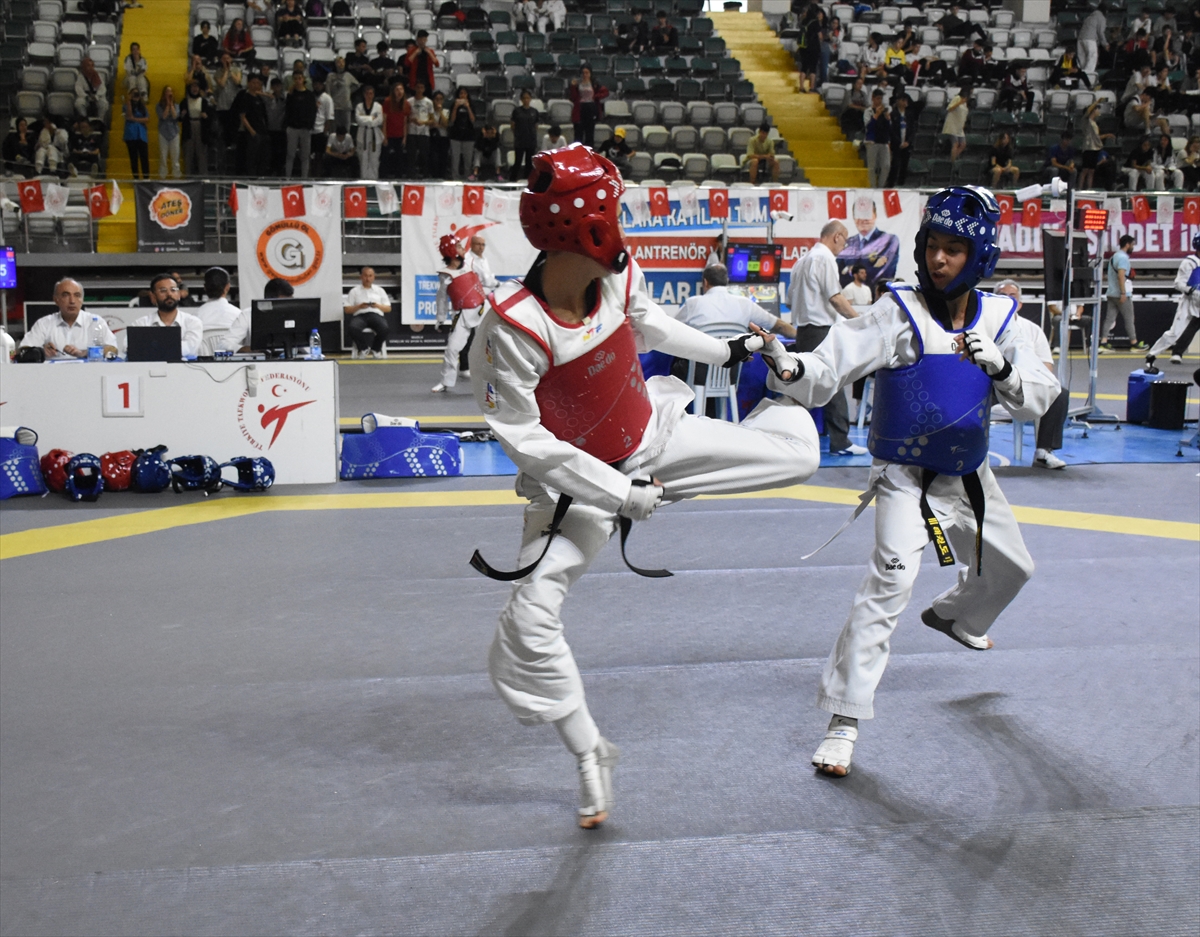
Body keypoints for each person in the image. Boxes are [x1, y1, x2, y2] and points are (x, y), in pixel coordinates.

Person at [467, 143, 820, 829]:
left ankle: (786, 405)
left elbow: (652, 323)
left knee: (796, 457)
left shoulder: (617, 275)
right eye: (614, 213)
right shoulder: (511, 326)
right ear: (587, 227)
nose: (623, 230)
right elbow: (528, 441)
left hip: (656, 438)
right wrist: (619, 495)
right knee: (529, 620)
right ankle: (590, 751)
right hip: (578, 488)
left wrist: (727, 351)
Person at [759, 186, 1060, 777]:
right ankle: (844, 720)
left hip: (969, 474)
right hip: (905, 476)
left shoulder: (1005, 320)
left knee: (1015, 569)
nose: (940, 259)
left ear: (978, 257)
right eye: (933, 247)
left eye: (954, 249)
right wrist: (794, 366)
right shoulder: (896, 311)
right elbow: (833, 363)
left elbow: (1038, 397)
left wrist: (1002, 369)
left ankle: (955, 616)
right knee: (890, 582)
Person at [787, 220, 868, 457]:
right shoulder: (824, 259)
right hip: (821, 330)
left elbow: (791, 300)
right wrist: (859, 321)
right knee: (834, 381)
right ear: (837, 236)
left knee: (804, 384)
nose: (844, 247)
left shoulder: (801, 261)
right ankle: (840, 441)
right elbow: (835, 298)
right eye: (845, 240)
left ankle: (791, 434)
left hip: (805, 331)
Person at [994, 280, 1070, 470]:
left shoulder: (1032, 330)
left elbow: (1046, 366)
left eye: (1013, 297)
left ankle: (1044, 452)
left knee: (1059, 393)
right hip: (991, 385)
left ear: (1020, 304)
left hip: (1024, 384)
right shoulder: (984, 326)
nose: (1008, 301)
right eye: (1003, 297)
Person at [678, 263, 796, 338]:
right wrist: (802, 339)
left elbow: (667, 329)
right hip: (732, 373)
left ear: (705, 282)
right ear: (727, 281)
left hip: (696, 373)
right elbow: (780, 326)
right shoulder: (745, 304)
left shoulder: (692, 304)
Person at [431, 235, 486, 392]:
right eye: (459, 247)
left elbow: (486, 280)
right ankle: (446, 382)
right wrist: (440, 318)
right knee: (452, 349)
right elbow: (441, 298)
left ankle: (500, 381)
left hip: (483, 309)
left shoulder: (471, 263)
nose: (463, 249)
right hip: (462, 315)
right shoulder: (446, 275)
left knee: (493, 345)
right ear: (451, 251)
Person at [19, 278, 116, 359]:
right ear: (56, 300)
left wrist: (85, 353)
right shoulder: (44, 324)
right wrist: (40, 351)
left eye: (77, 295)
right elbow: (23, 350)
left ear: (82, 300)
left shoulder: (95, 322)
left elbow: (112, 350)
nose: (72, 301)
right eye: (66, 295)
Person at [1146, 232, 1200, 369]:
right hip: (1189, 301)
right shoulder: (1190, 263)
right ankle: (1152, 354)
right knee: (1175, 333)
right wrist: (1192, 290)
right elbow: (1178, 284)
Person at [132, 273, 205, 358]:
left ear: (178, 295)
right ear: (153, 297)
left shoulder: (192, 322)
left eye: (173, 290)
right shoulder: (140, 324)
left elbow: (190, 349)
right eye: (163, 290)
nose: (169, 294)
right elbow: (129, 348)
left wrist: (153, 347)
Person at [838, 195, 900, 291]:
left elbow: (884, 275)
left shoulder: (889, 240)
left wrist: (850, 271)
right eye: (859, 215)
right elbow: (840, 278)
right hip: (851, 300)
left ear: (875, 215)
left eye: (867, 214)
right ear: (854, 217)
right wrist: (874, 267)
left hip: (878, 298)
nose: (863, 219)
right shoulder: (846, 243)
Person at [343, 266, 392, 357]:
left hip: (376, 314)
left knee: (385, 329)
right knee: (352, 328)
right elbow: (347, 310)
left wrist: (377, 305)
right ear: (361, 277)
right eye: (365, 276)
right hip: (360, 315)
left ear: (374, 277)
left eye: (370, 276)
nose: (368, 278)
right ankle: (363, 348)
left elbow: (388, 308)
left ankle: (376, 349)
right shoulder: (354, 291)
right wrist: (359, 306)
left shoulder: (380, 290)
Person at [1102, 234, 1138, 351]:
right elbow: (1121, 276)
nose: (1133, 247)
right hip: (1122, 294)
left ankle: (1103, 342)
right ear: (1127, 244)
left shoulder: (1114, 257)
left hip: (1111, 293)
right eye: (1132, 245)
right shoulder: (1123, 258)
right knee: (1129, 318)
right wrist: (1123, 293)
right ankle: (1134, 343)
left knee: (1109, 318)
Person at [283, 72, 317, 178]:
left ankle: (304, 178)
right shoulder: (291, 95)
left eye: (300, 78)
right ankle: (288, 178)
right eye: (296, 79)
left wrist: (310, 125)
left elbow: (313, 111)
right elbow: (287, 111)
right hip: (292, 128)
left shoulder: (310, 95)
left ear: (303, 80)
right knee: (290, 154)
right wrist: (288, 126)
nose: (298, 80)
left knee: (305, 156)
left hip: (305, 128)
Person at [235, 75, 270, 175]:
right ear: (249, 83)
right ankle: (251, 176)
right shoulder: (246, 97)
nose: (256, 85)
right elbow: (243, 116)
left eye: (258, 83)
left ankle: (260, 175)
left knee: (262, 156)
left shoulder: (259, 98)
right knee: (252, 157)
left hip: (262, 130)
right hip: (252, 132)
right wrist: (252, 131)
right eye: (254, 83)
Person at [1077, 101, 1115, 190]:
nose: (1098, 111)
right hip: (1088, 148)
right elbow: (1088, 112)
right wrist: (1096, 102)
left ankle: (1089, 189)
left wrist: (1107, 135)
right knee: (1085, 170)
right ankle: (1079, 189)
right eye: (1097, 109)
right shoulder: (1086, 121)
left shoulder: (1094, 123)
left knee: (1091, 171)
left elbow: (1096, 137)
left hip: (1095, 148)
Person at [569, 66, 607, 148]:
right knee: (578, 132)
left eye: (587, 73)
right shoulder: (577, 83)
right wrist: (572, 87)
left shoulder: (594, 83)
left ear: (590, 74)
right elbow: (573, 97)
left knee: (589, 133)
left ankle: (589, 152)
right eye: (583, 73)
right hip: (580, 108)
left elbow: (605, 92)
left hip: (591, 107)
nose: (585, 75)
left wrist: (596, 96)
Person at [181, 81, 212, 175]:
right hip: (189, 127)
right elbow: (180, 118)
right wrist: (182, 115)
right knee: (188, 154)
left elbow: (210, 118)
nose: (194, 89)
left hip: (200, 127)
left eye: (196, 87)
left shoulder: (204, 101)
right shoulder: (184, 101)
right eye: (192, 87)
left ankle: (204, 176)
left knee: (201, 153)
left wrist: (205, 116)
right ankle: (188, 176)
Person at [355, 84, 385, 179]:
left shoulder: (378, 106)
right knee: (363, 159)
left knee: (374, 160)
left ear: (373, 95)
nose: (369, 95)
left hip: (375, 135)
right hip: (362, 134)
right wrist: (371, 118)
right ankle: (363, 180)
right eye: (367, 93)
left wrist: (366, 120)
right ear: (364, 94)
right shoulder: (359, 106)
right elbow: (358, 120)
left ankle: (374, 181)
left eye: (371, 93)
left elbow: (379, 120)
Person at [510, 89, 539, 181]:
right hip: (520, 140)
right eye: (524, 98)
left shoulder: (534, 111)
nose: (526, 100)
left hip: (531, 141)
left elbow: (536, 126)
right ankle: (512, 181)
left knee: (529, 164)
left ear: (530, 99)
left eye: (528, 98)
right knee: (517, 162)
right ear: (521, 99)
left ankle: (528, 182)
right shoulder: (517, 111)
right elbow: (513, 125)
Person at [864, 90, 891, 188]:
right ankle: (873, 187)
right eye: (877, 98)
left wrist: (887, 118)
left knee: (886, 166)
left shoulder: (885, 111)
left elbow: (889, 128)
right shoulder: (868, 111)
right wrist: (876, 115)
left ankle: (881, 186)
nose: (879, 101)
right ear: (873, 98)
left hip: (883, 141)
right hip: (872, 141)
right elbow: (868, 127)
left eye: (881, 99)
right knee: (872, 167)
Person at [327, 57, 360, 135]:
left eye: (342, 62)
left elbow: (357, 85)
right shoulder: (330, 76)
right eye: (338, 62)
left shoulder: (348, 75)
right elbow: (328, 90)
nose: (341, 64)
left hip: (346, 106)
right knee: (334, 131)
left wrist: (348, 91)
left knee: (346, 130)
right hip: (334, 107)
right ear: (335, 64)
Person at [448, 87, 475, 179]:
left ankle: (468, 178)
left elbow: (473, 120)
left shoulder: (471, 105)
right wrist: (455, 107)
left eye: (464, 93)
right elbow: (452, 120)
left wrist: (468, 107)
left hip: (468, 136)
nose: (463, 95)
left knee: (468, 160)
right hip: (455, 135)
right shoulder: (453, 105)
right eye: (461, 93)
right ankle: (455, 177)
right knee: (455, 159)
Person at [885, 94, 912, 186]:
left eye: (906, 100)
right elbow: (891, 130)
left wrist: (908, 141)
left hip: (906, 143)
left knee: (904, 165)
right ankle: (891, 183)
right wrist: (898, 142)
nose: (905, 102)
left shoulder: (909, 114)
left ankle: (901, 184)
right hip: (896, 144)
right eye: (903, 100)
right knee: (895, 165)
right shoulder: (893, 114)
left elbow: (912, 130)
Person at [122, 90, 151, 178]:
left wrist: (134, 119)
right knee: (133, 158)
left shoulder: (142, 107)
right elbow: (129, 115)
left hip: (141, 134)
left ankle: (146, 178)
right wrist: (129, 101)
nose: (136, 95)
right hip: (131, 134)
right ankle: (136, 178)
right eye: (134, 94)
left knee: (144, 157)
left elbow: (147, 119)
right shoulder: (126, 106)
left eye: (137, 93)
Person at [1078, 1, 1108, 78]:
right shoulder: (1101, 17)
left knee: (1083, 63)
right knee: (1092, 60)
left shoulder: (1089, 17)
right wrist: (1105, 44)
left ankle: (1081, 80)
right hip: (1090, 40)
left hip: (1080, 40)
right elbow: (1100, 32)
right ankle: (1087, 79)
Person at [942, 84, 969, 163]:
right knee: (955, 144)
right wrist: (959, 102)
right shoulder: (957, 98)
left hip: (959, 126)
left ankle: (953, 158)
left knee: (963, 144)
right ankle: (952, 162)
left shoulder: (965, 102)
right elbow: (950, 108)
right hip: (952, 125)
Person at [430, 89, 450, 179]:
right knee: (433, 158)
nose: (438, 101)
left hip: (443, 137)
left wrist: (440, 111)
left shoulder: (446, 111)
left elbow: (446, 124)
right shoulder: (430, 111)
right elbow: (429, 124)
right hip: (433, 137)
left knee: (443, 158)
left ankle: (442, 176)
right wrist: (438, 125)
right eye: (436, 99)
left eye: (440, 99)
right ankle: (434, 176)